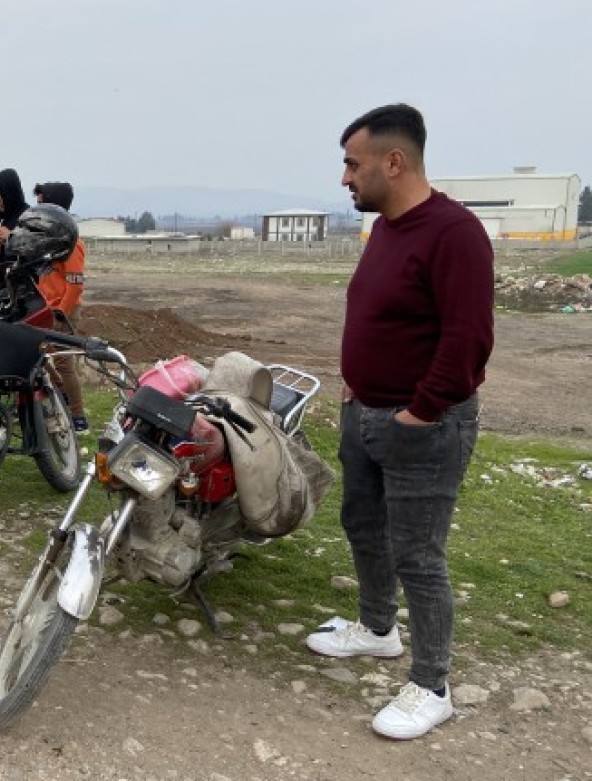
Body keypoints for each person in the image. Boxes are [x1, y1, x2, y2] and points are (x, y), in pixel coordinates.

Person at [305, 103, 493, 741]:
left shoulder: (455, 232)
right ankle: (378, 629)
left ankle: (432, 685)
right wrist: (360, 391)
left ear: (395, 160)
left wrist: (420, 411)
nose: (345, 179)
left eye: (352, 165)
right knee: (362, 525)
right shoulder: (386, 226)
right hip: (367, 410)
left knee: (419, 553)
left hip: (424, 425)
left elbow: (467, 341)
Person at [32, 182, 89, 433]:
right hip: (46, 308)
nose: (38, 207)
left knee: (65, 364)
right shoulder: (48, 239)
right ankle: (62, 397)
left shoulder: (72, 242)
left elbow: (75, 284)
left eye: (42, 202)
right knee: (39, 357)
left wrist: (61, 311)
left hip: (63, 311)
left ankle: (78, 418)